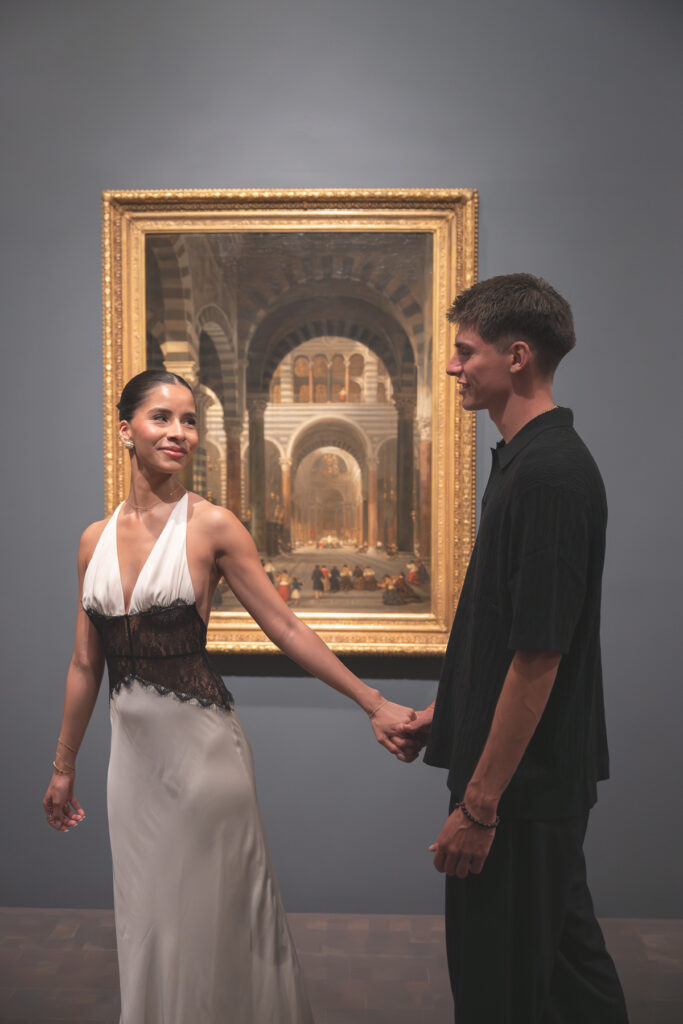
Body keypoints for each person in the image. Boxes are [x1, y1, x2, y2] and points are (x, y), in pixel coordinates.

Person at [42, 369, 416, 1024]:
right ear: (125, 428)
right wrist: (63, 765)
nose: (179, 432)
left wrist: (371, 700)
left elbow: (286, 625)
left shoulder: (213, 526)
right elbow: (83, 662)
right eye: (162, 418)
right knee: (147, 914)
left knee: (216, 910)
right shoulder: (91, 540)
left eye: (189, 420)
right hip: (131, 761)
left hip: (203, 751)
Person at [400, 275, 629, 1023]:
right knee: (568, 981)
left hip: (519, 795)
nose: (452, 366)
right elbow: (507, 633)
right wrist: (451, 710)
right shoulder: (524, 463)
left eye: (465, 351)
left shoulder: (548, 477)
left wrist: (479, 805)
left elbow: (539, 657)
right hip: (529, 784)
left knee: (499, 990)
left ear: (518, 355)